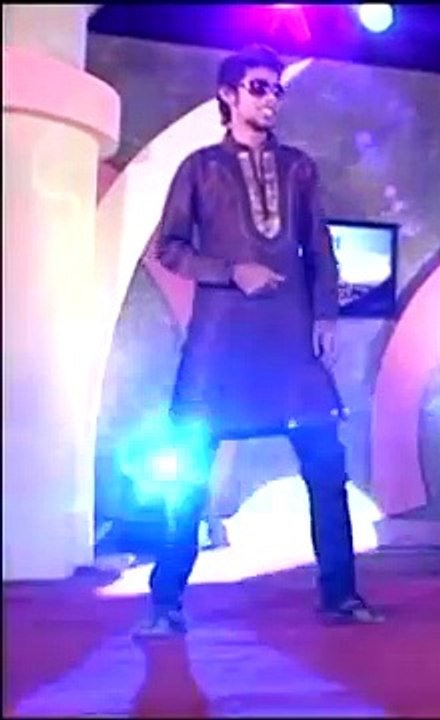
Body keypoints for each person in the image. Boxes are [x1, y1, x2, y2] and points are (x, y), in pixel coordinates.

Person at [134, 44, 383, 638]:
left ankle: (340, 595)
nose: (270, 99)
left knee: (327, 467)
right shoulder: (199, 168)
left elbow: (318, 247)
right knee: (188, 477)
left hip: (290, 342)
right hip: (219, 344)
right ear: (228, 95)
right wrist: (231, 271)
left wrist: (326, 317)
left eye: (276, 89)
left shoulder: (298, 167)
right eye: (258, 87)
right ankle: (166, 602)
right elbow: (169, 249)